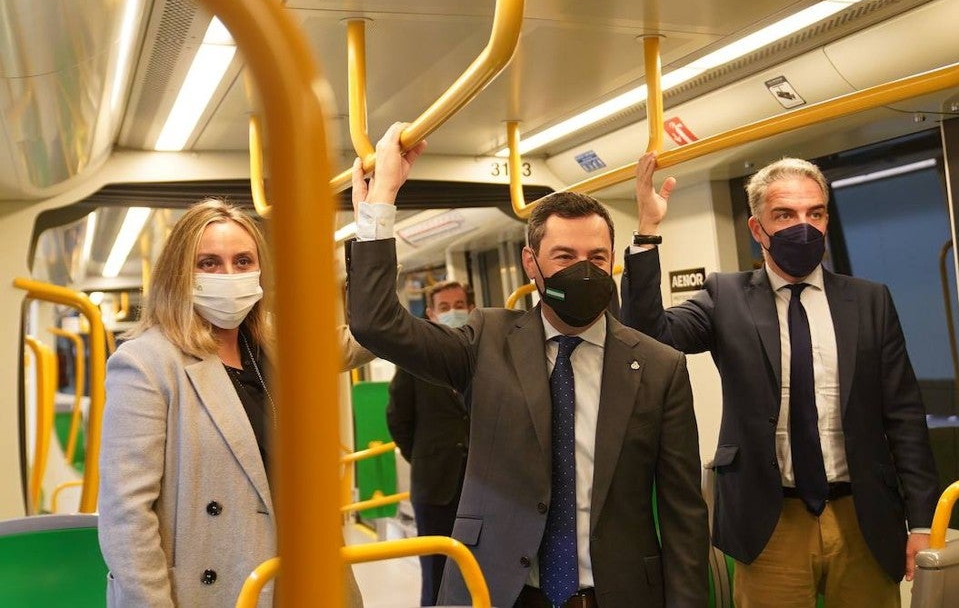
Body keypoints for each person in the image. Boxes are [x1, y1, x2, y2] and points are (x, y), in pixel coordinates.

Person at [347, 122, 708, 608]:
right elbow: (377, 324)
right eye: (564, 256)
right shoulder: (486, 341)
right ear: (530, 263)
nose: (583, 270)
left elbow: (684, 513)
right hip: (499, 591)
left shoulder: (659, 367)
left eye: (596, 257)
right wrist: (381, 202)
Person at [621, 153, 940, 608]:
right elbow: (648, 335)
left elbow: (905, 416)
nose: (802, 226)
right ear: (757, 228)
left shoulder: (870, 301)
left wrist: (922, 520)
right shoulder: (725, 297)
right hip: (769, 518)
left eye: (815, 213)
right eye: (785, 215)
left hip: (863, 514)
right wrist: (647, 234)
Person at [98, 198, 373, 608]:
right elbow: (127, 517)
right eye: (209, 263)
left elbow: (372, 335)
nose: (229, 274)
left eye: (243, 261)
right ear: (179, 273)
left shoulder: (274, 342)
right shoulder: (145, 363)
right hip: (217, 586)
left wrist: (374, 221)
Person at [386, 280, 474, 605]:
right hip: (435, 489)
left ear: (472, 309)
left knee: (486, 576)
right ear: (432, 315)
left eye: (459, 305)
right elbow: (399, 419)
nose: (454, 313)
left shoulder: (489, 357)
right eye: (445, 308)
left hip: (484, 488)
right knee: (438, 580)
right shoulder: (415, 362)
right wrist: (427, 457)